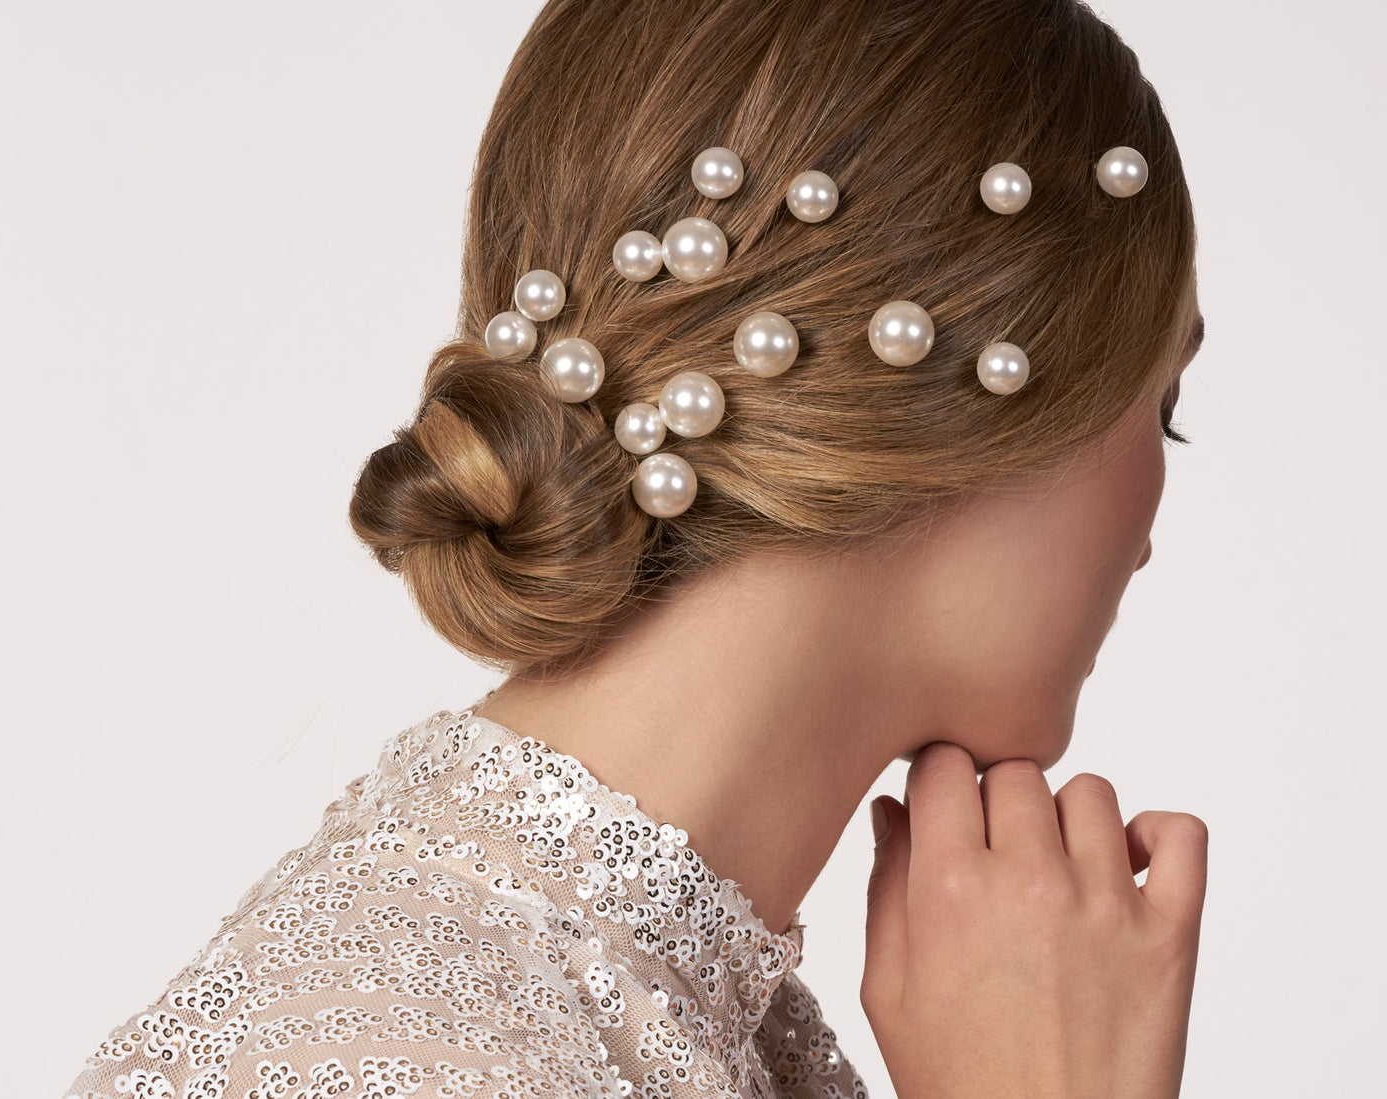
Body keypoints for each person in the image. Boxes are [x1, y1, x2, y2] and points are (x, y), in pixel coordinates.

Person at [63, 1, 1209, 1097]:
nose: (1152, 532)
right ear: (982, 392)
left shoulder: (596, 1003)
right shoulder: (424, 1055)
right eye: (1162, 404)